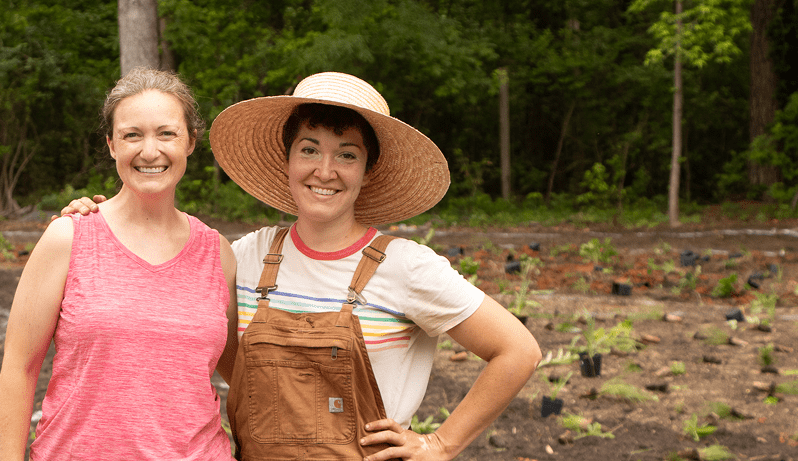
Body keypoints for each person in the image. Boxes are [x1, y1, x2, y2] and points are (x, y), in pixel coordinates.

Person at [62, 71, 542, 461]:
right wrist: (104, 218)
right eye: (309, 149)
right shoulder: (245, 257)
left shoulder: (406, 267)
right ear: (287, 158)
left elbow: (517, 351)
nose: (324, 170)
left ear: (368, 170)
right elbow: (190, 329)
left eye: (346, 155)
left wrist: (439, 444)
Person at [0, 67, 238, 461]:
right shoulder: (68, 238)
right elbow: (19, 369)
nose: (149, 150)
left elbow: (244, 377)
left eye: (166, 133)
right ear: (111, 145)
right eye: (132, 135)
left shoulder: (219, 254)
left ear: (191, 142)